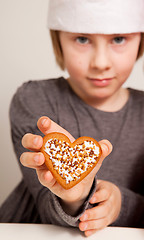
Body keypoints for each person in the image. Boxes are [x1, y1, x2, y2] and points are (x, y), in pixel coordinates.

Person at [0, 0, 144, 237]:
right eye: (82, 39)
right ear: (59, 40)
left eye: (118, 39)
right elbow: (46, 206)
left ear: (141, 38)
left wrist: (121, 203)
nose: (100, 63)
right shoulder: (35, 99)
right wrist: (74, 196)